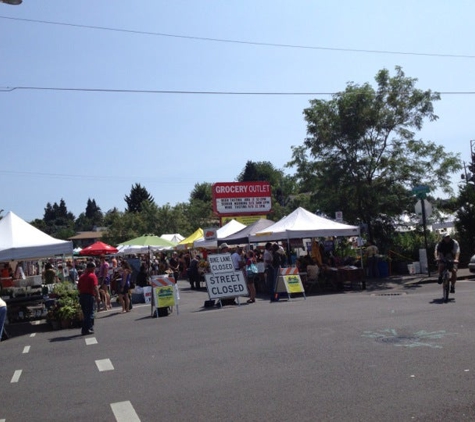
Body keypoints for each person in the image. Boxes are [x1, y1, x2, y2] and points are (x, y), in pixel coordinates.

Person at [77, 262, 99, 336]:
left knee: (85, 313)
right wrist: (98, 296)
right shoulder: (92, 276)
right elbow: (95, 287)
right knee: (89, 313)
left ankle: (87, 328)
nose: (94, 269)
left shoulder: (82, 276)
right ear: (91, 268)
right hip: (89, 295)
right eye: (93, 267)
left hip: (82, 296)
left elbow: (78, 287)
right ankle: (87, 328)